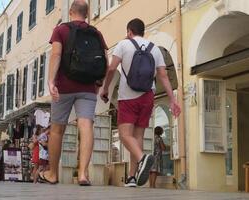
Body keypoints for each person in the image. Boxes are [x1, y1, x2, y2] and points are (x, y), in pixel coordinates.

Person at [100, 18, 181, 187]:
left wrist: (105, 88)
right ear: (143, 31)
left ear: (129, 31)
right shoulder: (154, 49)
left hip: (128, 96)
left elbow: (112, 68)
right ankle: (131, 178)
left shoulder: (124, 44)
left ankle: (142, 158)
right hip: (147, 96)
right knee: (137, 137)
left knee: (124, 135)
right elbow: (163, 76)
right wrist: (173, 100)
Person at [43, 0, 108, 186]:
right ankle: (83, 174)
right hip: (87, 88)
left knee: (57, 130)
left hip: (63, 87)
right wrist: (99, 83)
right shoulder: (96, 33)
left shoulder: (61, 30)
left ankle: (53, 174)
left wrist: (51, 81)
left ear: (70, 12)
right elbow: (105, 59)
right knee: (86, 126)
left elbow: (55, 55)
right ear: (87, 14)